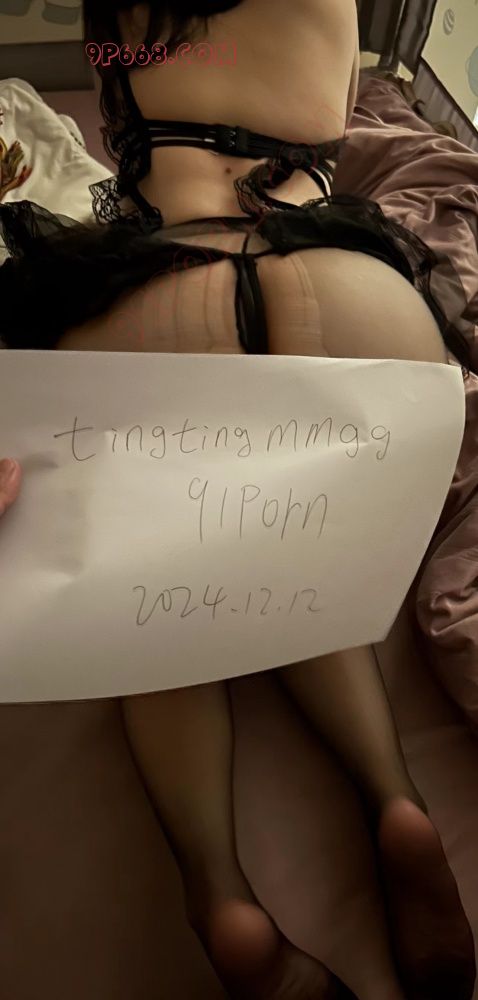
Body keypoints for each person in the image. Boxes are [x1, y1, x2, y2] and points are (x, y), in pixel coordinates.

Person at [0, 2, 475, 997]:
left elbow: (128, 129)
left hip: (162, 295)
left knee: (148, 600)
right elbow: (326, 118)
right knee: (299, 552)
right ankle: (397, 802)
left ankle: (217, 891)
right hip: (355, 303)